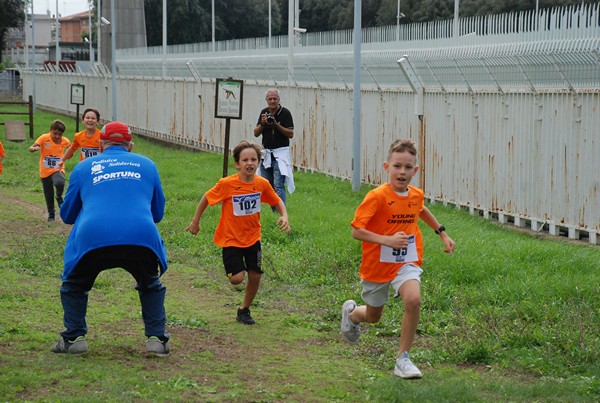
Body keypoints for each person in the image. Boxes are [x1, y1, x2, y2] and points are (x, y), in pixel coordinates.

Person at [53, 121, 170, 356]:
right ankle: (157, 339)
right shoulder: (148, 165)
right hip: (141, 236)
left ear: (100, 144)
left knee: (74, 284)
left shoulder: (84, 168)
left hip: (93, 237)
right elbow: (157, 214)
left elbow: (67, 216)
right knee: (150, 284)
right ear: (131, 145)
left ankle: (74, 338)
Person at [341, 139, 455, 379]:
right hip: (377, 264)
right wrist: (386, 240)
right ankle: (352, 314)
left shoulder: (415, 194)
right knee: (373, 316)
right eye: (397, 166)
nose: (402, 172)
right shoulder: (377, 197)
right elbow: (356, 231)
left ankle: (403, 358)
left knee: (413, 300)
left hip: (406, 260)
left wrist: (442, 233)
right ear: (386, 167)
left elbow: (420, 208)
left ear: (415, 170)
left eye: (407, 167)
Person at [187, 140, 291, 325]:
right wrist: (195, 222)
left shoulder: (262, 183)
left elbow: (277, 201)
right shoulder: (226, 184)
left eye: (253, 159)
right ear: (237, 164)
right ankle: (236, 268)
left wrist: (284, 216)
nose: (249, 163)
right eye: (245, 160)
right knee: (236, 279)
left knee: (255, 275)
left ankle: (244, 310)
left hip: (253, 238)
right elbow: (206, 198)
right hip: (231, 239)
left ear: (258, 163)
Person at [253, 88, 295, 207]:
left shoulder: (285, 113)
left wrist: (276, 124)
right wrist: (263, 123)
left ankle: (281, 212)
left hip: (280, 154)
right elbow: (256, 133)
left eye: (274, 98)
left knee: (278, 184)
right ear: (266, 100)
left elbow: (290, 134)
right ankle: (274, 210)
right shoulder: (264, 112)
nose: (272, 101)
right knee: (268, 184)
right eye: (270, 99)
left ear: (279, 99)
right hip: (266, 154)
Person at [28, 119, 71, 221]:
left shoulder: (65, 141)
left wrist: (68, 155)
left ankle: (59, 196)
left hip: (58, 168)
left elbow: (70, 150)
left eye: (59, 134)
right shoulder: (44, 138)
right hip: (45, 170)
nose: (57, 136)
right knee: (48, 193)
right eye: (55, 133)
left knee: (60, 182)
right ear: (50, 130)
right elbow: (31, 147)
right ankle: (51, 214)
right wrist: (33, 149)